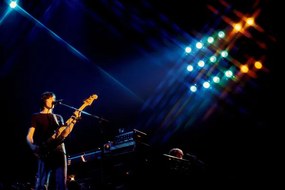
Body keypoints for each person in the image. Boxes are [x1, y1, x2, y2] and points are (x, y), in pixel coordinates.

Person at [26, 91, 81, 190]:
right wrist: (33, 147)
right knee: (41, 185)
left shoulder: (58, 117)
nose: (53, 100)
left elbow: (65, 133)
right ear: (44, 100)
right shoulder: (36, 116)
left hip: (59, 151)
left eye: (54, 98)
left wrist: (74, 120)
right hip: (44, 151)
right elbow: (29, 136)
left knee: (61, 184)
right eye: (51, 98)